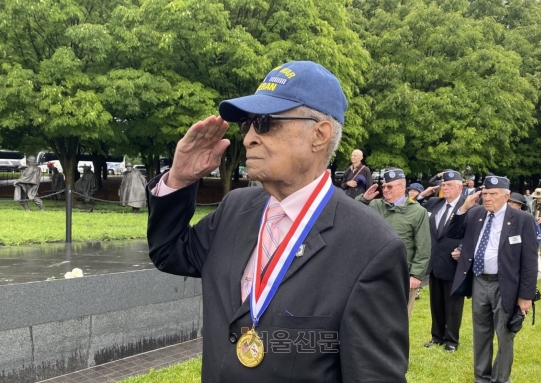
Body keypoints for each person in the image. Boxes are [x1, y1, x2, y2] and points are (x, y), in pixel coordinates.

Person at [146, 61, 409, 382]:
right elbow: (169, 252)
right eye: (248, 125)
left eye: (265, 123)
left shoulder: (372, 247)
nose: (249, 139)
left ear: (319, 135)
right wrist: (179, 179)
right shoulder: (235, 208)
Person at [448, 176, 537, 383]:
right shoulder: (476, 214)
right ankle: (482, 377)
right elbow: (452, 232)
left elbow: (530, 261)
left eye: (493, 194)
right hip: (479, 280)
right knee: (481, 332)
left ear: (506, 196)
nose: (488, 198)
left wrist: (525, 296)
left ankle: (500, 379)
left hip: (505, 285)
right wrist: (464, 207)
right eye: (485, 194)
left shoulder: (522, 219)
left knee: (505, 334)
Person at [356, 167, 431, 316]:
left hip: (402, 273)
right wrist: (364, 198)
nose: (385, 189)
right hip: (375, 271)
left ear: (402, 187)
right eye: (384, 186)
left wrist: (416, 275)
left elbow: (423, 245)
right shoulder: (375, 205)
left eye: (390, 186)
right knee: (372, 315)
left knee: (398, 318)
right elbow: (353, 211)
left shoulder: (417, 211)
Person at [419, 170, 466, 353]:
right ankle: (436, 336)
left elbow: (472, 233)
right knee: (436, 302)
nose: (444, 188)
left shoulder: (469, 206)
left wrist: (462, 249)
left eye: (449, 185)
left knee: (453, 304)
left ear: (460, 187)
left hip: (454, 262)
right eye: (443, 185)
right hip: (435, 261)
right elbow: (412, 204)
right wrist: (424, 193)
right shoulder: (434, 203)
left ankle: (451, 340)